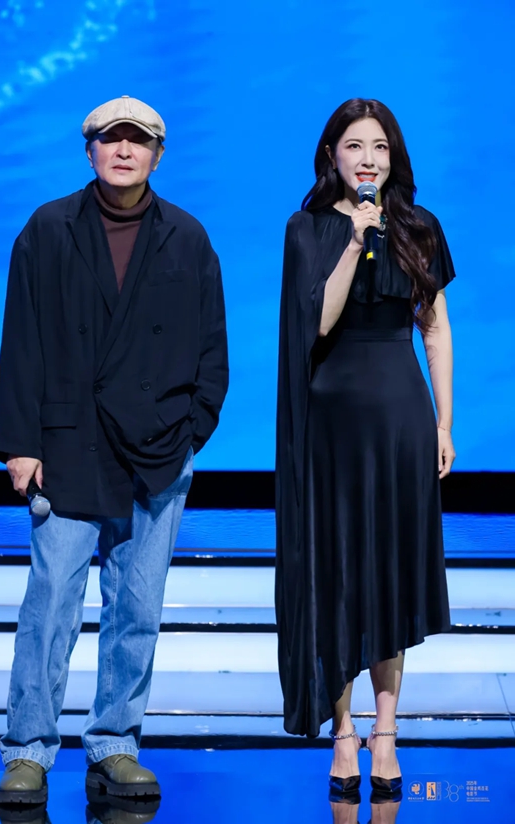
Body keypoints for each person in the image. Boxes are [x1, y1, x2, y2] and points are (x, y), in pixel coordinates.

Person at [0, 95, 228, 805]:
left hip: (156, 452)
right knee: (50, 606)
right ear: (89, 149)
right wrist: (19, 445)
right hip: (68, 446)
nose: (124, 150)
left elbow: (212, 349)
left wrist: (189, 434)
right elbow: (21, 340)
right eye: (111, 138)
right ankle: (28, 750)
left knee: (137, 609)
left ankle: (115, 743)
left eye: (138, 140)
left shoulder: (187, 237)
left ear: (158, 154)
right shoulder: (48, 228)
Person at [275, 99, 456, 794]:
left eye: (379, 146)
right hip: (331, 425)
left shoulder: (420, 227)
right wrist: (354, 242)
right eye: (355, 146)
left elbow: (434, 328)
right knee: (340, 573)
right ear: (333, 156)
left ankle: (386, 730)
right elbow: (317, 324)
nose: (368, 159)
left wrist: (444, 423)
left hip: (401, 417)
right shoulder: (308, 229)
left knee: (392, 572)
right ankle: (343, 731)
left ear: (393, 156)